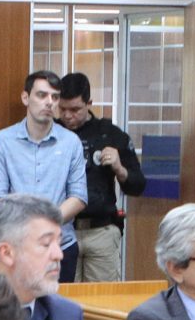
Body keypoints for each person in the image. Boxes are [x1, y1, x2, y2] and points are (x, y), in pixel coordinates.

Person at [0, 70, 88, 282]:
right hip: (16, 248)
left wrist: (43, 227)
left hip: (60, 248)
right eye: (41, 95)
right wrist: (29, 232)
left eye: (55, 97)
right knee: (15, 313)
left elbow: (78, 197)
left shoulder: (71, 142)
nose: (49, 102)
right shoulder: (4, 141)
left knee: (57, 312)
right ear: (26, 98)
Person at [56, 71, 143, 285]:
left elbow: (138, 185)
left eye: (75, 109)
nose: (68, 116)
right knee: (64, 301)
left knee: (102, 301)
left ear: (89, 103)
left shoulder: (110, 134)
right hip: (63, 233)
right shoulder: (53, 134)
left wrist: (119, 168)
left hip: (101, 232)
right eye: (63, 109)